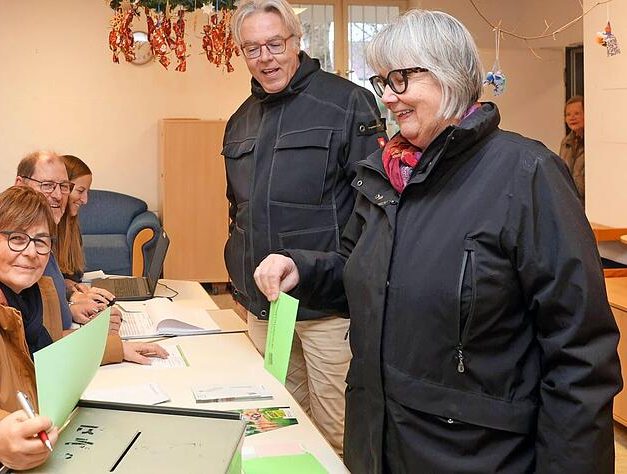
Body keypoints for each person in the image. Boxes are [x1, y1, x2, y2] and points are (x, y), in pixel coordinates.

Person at [253, 10, 621, 473]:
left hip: (478, 456)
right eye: (382, 81)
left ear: (448, 74)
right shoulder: (381, 177)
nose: (387, 96)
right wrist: (303, 269)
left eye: (401, 79)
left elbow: (579, 356)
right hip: (379, 443)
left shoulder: (526, 174)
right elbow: (361, 276)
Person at [0, 186, 167, 472]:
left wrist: (116, 348)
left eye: (40, 241)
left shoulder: (28, 296)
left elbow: (47, 354)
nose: (31, 252)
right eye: (17, 239)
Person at [223, 0, 385, 452]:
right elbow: (237, 209)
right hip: (265, 308)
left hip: (327, 309)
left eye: (275, 44)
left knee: (338, 436)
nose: (265, 58)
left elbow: (373, 206)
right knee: (277, 433)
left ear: (297, 42)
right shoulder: (240, 121)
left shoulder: (348, 103)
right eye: (252, 49)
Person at [14, 151, 119, 333]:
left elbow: (46, 325)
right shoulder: (22, 249)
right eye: (47, 185)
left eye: (63, 187)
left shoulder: (45, 241)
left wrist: (72, 308)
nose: (57, 195)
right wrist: (102, 339)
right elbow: (35, 341)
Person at [53, 154, 118, 327]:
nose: (85, 200)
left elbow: (71, 273)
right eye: (80, 191)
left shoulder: (70, 224)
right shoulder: (44, 227)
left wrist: (73, 288)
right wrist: (72, 297)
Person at [560, 95, 585, 205]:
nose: (572, 118)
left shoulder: (595, 144)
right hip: (570, 203)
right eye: (568, 114)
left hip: (591, 204)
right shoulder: (565, 143)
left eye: (577, 113)